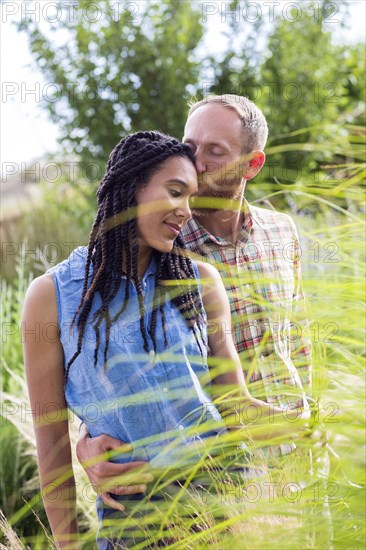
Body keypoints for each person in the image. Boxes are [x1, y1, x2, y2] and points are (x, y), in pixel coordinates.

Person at [22, 131, 308, 549]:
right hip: (134, 523)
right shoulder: (52, 296)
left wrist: (308, 420)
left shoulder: (201, 282)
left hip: (224, 501)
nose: (186, 212)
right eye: (175, 192)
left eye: (191, 198)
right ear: (131, 186)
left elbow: (234, 405)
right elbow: (51, 443)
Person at [77, 95, 313, 493]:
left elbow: (300, 343)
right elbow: (106, 356)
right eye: (191, 147)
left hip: (299, 460)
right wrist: (86, 442)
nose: (196, 162)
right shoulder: (159, 247)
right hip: (217, 480)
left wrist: (316, 423)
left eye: (215, 152)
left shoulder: (282, 232)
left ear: (252, 164)